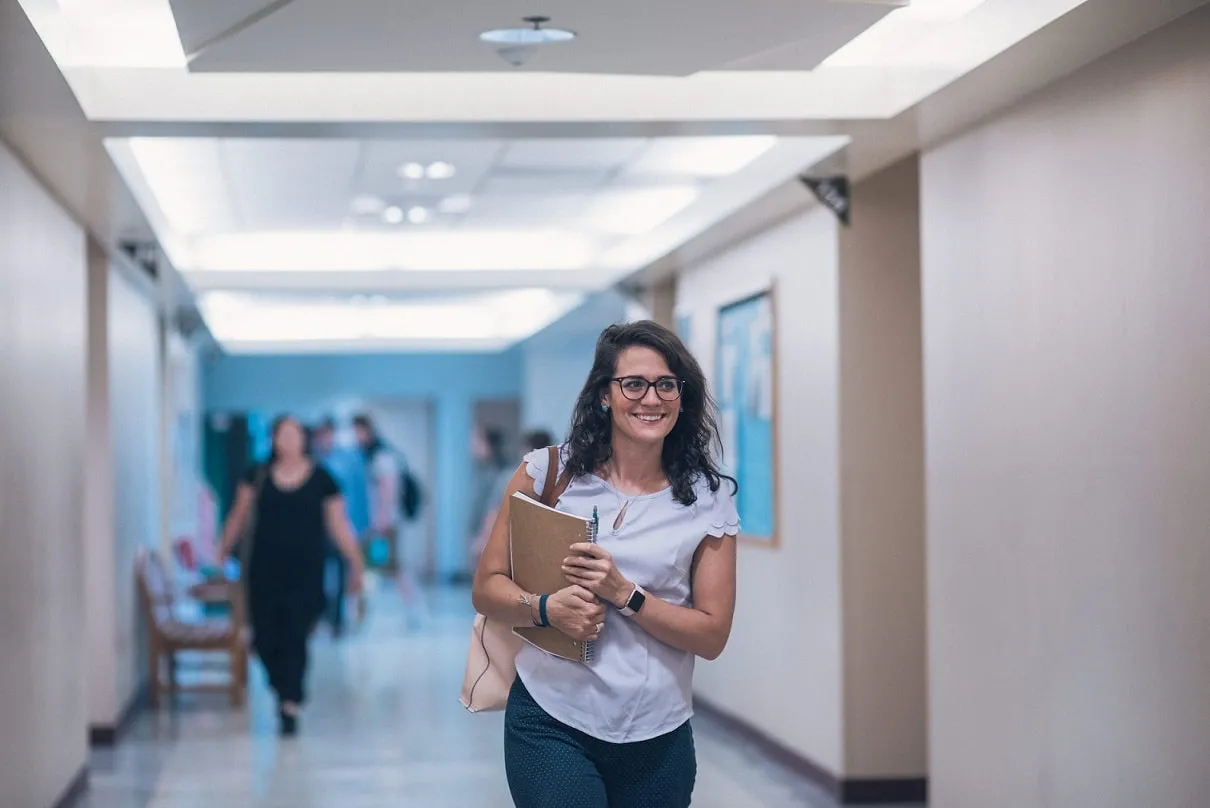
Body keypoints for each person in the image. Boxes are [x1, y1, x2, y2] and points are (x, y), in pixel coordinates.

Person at [471, 320, 740, 808]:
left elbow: (712, 634)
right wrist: (549, 609)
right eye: (633, 384)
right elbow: (487, 587)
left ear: (683, 396)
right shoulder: (549, 473)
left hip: (658, 732)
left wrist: (626, 595)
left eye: (666, 385)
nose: (651, 399)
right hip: (552, 720)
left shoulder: (709, 499)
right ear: (604, 395)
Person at [217, 415, 365, 736]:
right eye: (282, 434)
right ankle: (281, 686)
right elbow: (238, 517)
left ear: (303, 439)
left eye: (294, 434)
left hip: (306, 573)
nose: (288, 440)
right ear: (273, 439)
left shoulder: (323, 479)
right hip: (263, 572)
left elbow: (338, 525)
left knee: (296, 637)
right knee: (266, 640)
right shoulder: (256, 475)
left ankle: (290, 701)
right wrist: (221, 550)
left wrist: (356, 562)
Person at [353, 413, 422, 617]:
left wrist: (381, 521)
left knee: (391, 567)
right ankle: (362, 613)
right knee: (373, 568)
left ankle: (415, 610)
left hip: (383, 523)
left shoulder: (382, 455)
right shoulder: (371, 454)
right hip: (375, 523)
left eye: (358, 431)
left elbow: (388, 488)